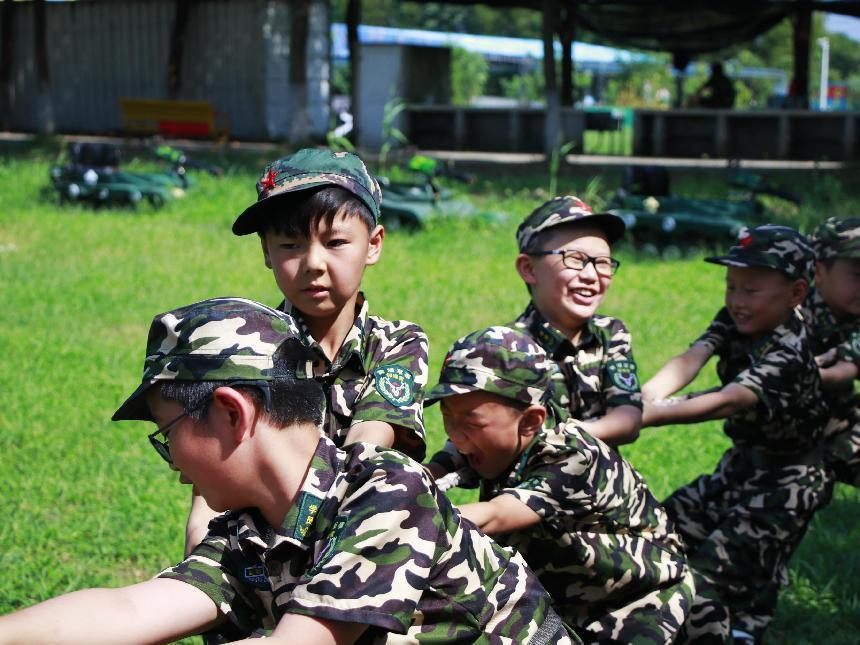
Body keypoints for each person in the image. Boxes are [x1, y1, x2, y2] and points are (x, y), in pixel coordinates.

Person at [0, 297, 578, 644]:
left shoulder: (388, 491)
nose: (172, 462)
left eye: (168, 433)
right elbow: (130, 609)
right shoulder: (251, 531)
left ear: (231, 412)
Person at [185, 148, 430, 553]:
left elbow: (365, 454)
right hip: (257, 554)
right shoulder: (241, 349)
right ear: (266, 251)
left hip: (365, 551)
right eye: (290, 245)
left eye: (335, 242)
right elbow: (208, 498)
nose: (313, 263)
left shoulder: (396, 344)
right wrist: (199, 567)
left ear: (373, 244)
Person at [425, 324, 699, 644]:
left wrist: (411, 520)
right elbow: (434, 469)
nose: (456, 435)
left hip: (639, 602)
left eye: (472, 422)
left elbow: (496, 514)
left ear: (530, 421)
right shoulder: (486, 440)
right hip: (559, 599)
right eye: (448, 416)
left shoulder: (573, 457)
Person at [641, 225, 829, 644]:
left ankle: (734, 631)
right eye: (731, 287)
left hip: (786, 483)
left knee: (713, 580)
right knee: (658, 535)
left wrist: (648, 417)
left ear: (797, 294)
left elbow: (729, 400)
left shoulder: (788, 349)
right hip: (742, 465)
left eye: (752, 290)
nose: (737, 301)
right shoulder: (736, 317)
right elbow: (695, 355)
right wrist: (645, 396)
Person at [427, 196, 642, 484]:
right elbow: (471, 431)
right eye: (575, 260)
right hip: (519, 502)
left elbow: (627, 421)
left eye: (603, 263)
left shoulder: (611, 333)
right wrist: (431, 474)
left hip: (599, 498)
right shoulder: (504, 349)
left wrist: (545, 435)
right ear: (528, 268)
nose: (591, 275)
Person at [802, 217, 860, 491]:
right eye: (857, 276)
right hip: (786, 439)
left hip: (843, 420)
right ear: (819, 272)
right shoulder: (787, 316)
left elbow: (847, 370)